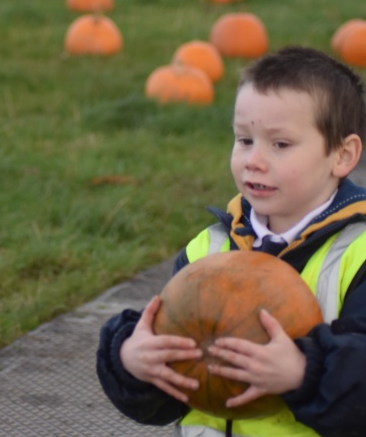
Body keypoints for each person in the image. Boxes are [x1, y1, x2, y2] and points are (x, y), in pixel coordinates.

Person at [96, 46, 366, 437]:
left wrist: (303, 372)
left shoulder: (358, 254)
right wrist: (133, 363)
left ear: (342, 155)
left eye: (280, 144)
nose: (253, 160)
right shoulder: (208, 250)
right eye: (244, 140)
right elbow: (171, 392)